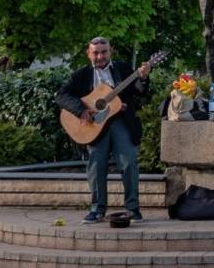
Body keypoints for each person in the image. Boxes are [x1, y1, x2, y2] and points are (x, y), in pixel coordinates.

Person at [56, 37, 153, 223]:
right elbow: (62, 96)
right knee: (96, 166)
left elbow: (140, 91)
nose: (100, 56)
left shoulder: (123, 69)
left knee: (129, 162)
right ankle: (97, 209)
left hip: (121, 122)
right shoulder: (81, 75)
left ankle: (133, 208)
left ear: (111, 51)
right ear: (88, 53)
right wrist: (81, 110)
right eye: (96, 52)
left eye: (104, 52)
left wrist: (143, 77)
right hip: (94, 125)